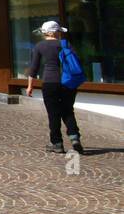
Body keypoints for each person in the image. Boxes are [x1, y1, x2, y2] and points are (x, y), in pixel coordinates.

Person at [26, 21, 85, 154]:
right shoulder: (65, 44)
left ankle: (57, 143)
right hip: (67, 82)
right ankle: (75, 138)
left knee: (53, 114)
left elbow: (33, 68)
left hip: (49, 83)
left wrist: (30, 86)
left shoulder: (40, 46)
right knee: (68, 110)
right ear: (56, 32)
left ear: (45, 32)